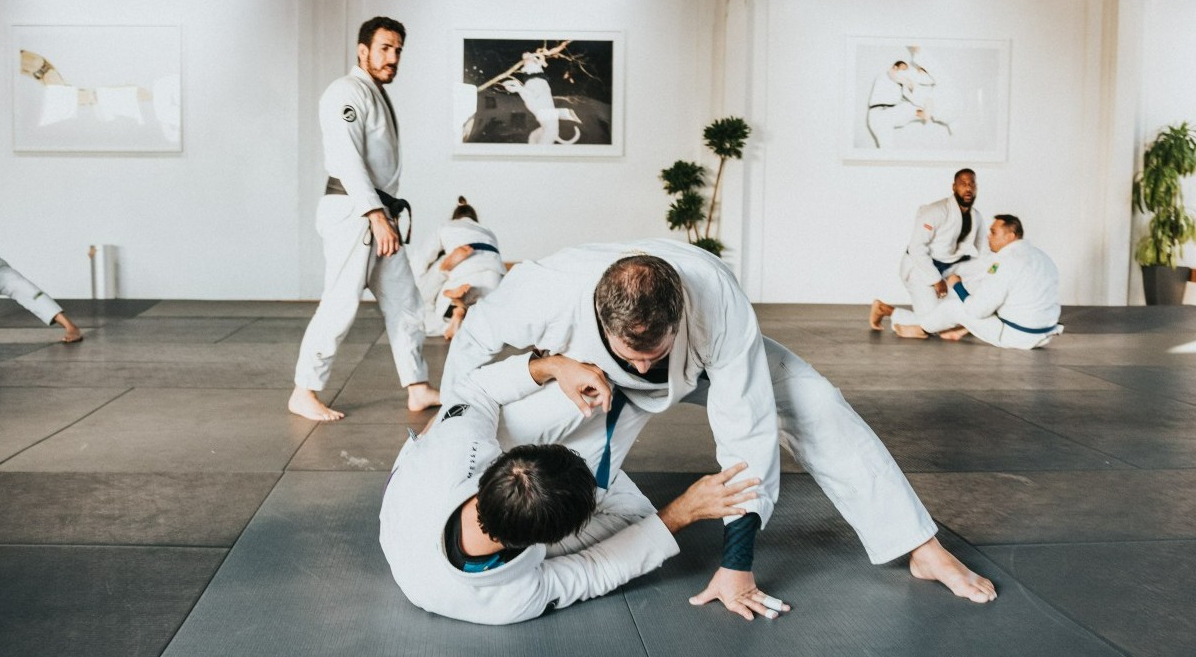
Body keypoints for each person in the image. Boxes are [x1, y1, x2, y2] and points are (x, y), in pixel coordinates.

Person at [442, 239, 996, 616]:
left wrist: (737, 564)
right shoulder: (543, 289)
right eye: (630, 354)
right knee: (540, 469)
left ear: (678, 316)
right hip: (584, 379)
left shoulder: (714, 297)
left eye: (650, 353)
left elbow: (746, 426)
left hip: (698, 367)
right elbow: (470, 351)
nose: (641, 367)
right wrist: (450, 450)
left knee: (818, 403)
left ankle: (918, 544)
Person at [380, 348, 769, 625]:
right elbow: (595, 570)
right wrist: (684, 511)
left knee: (555, 392)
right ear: (547, 540)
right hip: (440, 538)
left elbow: (474, 390)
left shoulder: (454, 451)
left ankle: (615, 395)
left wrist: (554, 365)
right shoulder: (508, 601)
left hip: (420, 477)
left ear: (498, 464)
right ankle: (628, 419)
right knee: (638, 516)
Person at [289, 17, 439, 422]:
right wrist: (374, 214)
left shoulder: (372, 93)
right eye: (385, 48)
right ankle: (304, 390)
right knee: (340, 303)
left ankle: (418, 386)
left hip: (377, 213)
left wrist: (382, 215)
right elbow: (345, 157)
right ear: (363, 50)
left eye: (398, 51)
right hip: (354, 212)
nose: (392, 58)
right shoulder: (346, 92)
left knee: (406, 301)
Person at [871, 168, 986, 333]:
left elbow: (985, 251)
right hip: (919, 268)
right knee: (932, 322)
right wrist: (936, 280)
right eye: (963, 184)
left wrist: (997, 274)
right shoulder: (935, 211)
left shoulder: (976, 216)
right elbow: (917, 247)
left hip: (949, 267)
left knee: (985, 270)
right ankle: (885, 310)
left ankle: (959, 316)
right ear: (954, 187)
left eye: (971, 184)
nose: (968, 188)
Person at [939, 215, 1063, 348]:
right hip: (1045, 332)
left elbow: (977, 310)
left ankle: (921, 329)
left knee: (952, 307)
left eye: (993, 233)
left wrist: (957, 285)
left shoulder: (1004, 261)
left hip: (1018, 336)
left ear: (1010, 236)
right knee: (992, 296)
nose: (988, 237)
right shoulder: (1042, 257)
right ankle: (962, 330)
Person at [414, 198, 506, 341]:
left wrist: (418, 286)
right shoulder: (488, 232)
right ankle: (463, 311)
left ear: (455, 217)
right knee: (488, 325)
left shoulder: (447, 226)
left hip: (462, 275)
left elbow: (420, 259)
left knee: (415, 317)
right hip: (494, 282)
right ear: (474, 218)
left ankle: (454, 314)